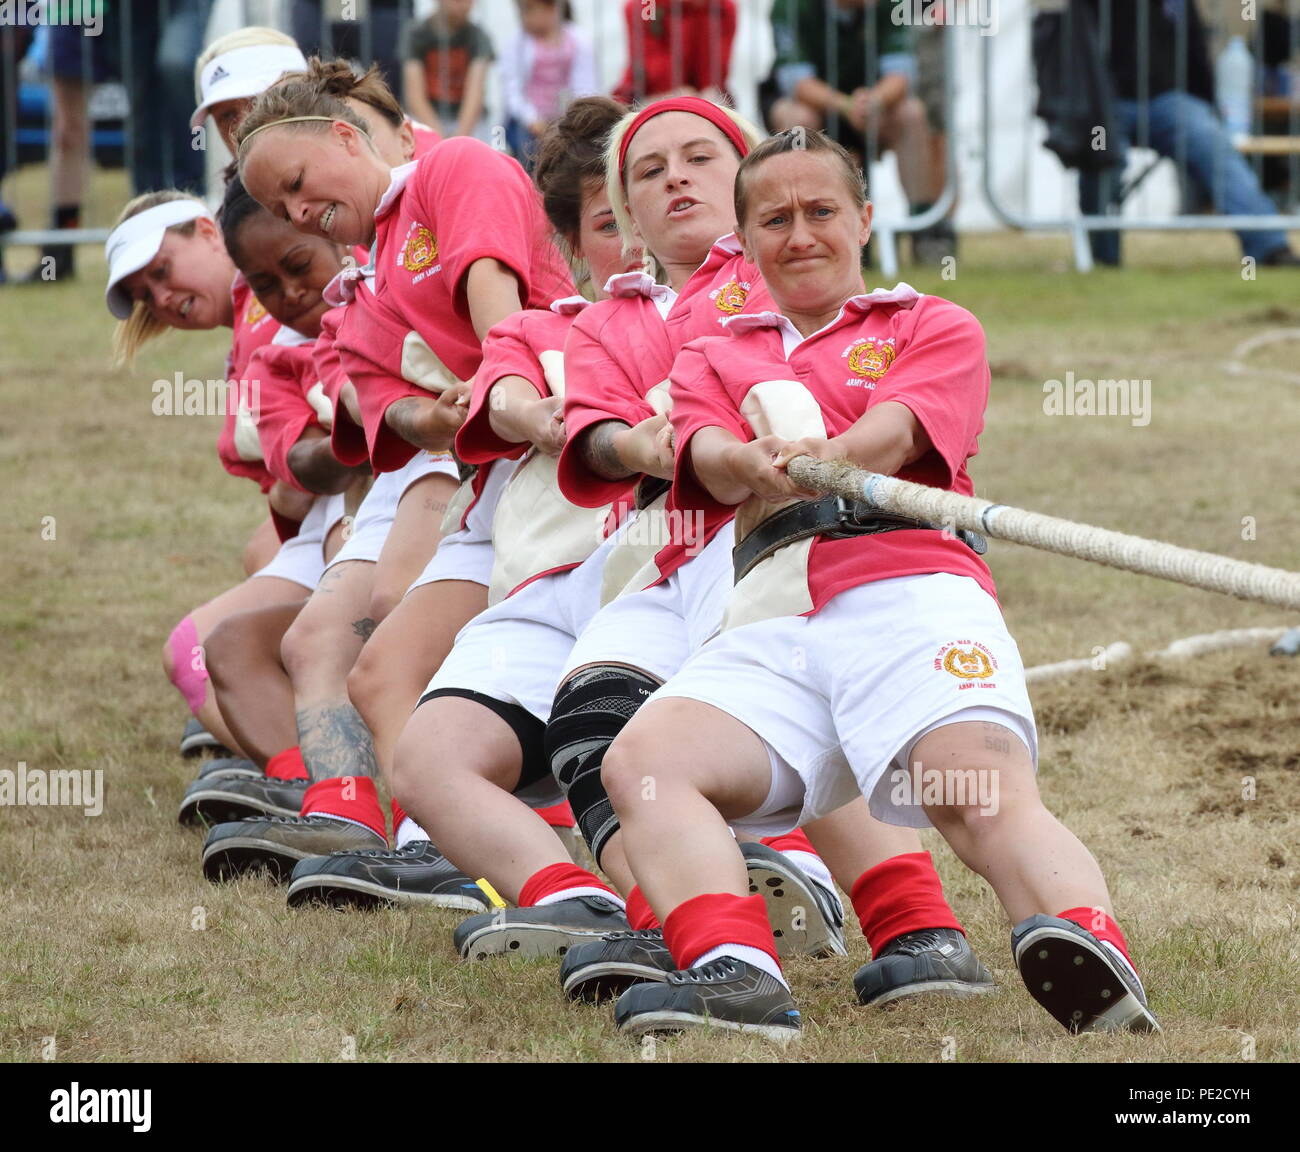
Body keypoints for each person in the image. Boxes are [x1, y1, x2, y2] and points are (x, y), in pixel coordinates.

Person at [600, 127, 1160, 1040]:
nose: (801, 234)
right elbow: (701, 451)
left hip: (906, 582)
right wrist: (749, 460)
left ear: (865, 217)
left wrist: (832, 453)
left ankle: (1084, 943)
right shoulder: (711, 354)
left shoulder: (931, 324)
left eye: (822, 211)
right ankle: (734, 974)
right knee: (647, 764)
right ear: (744, 239)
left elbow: (899, 430)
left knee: (969, 789)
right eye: (774, 219)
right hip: (771, 610)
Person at [200, 66, 573, 880]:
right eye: (280, 207)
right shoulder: (358, 286)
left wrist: (496, 395)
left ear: (346, 135)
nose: (298, 211)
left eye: (298, 185)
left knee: (620, 683)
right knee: (376, 673)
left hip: (567, 456)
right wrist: (431, 418)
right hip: (492, 479)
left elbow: (500, 314)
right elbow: (382, 411)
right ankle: (437, 853)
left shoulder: (452, 168)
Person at [104, 190, 322, 761]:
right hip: (338, 517)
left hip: (368, 515)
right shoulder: (253, 317)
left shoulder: (276, 299)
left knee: (191, 649)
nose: (161, 298)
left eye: (161, 271)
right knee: (251, 571)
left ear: (207, 230)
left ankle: (323, 788)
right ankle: (310, 774)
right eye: (144, 295)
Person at [1080, 0, 1297, 267]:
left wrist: (1209, 106)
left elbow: (1195, 48)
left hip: (1170, 101)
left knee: (1213, 144)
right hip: (1102, 102)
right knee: (1100, 156)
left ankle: (1269, 246)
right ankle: (1104, 257)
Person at [764, 0, 949, 263]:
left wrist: (874, 101)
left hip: (873, 108)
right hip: (820, 109)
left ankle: (926, 229)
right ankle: (804, 227)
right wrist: (846, 105)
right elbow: (794, 80)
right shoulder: (791, 6)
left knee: (911, 113)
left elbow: (902, 73)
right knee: (795, 117)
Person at [500, 0, 597, 171]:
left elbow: (586, 86)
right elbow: (513, 93)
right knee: (529, 149)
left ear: (552, 8)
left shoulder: (578, 40)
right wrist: (532, 119)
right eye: (522, 10)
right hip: (529, 123)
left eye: (529, 9)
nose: (524, 17)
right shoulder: (516, 44)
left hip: (567, 119)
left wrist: (571, 118)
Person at [613, 0, 736, 107]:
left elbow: (713, 76)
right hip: (645, 98)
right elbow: (656, 75)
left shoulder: (722, 8)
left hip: (700, 97)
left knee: (713, 98)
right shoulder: (644, 6)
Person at [401, 0, 494, 141]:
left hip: (468, 122)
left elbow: (475, 96)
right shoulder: (416, 33)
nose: (463, 5)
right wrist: (439, 137)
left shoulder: (479, 36)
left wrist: (459, 138)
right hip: (426, 118)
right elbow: (415, 98)